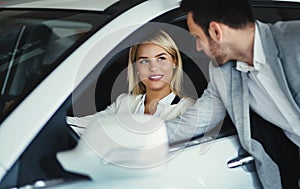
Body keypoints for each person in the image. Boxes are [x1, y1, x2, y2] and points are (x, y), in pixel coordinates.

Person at [165, 0, 300, 188]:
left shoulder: (295, 39)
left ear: (216, 32)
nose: (198, 47)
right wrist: (142, 139)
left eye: (197, 37)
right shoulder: (223, 72)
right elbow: (197, 120)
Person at [67, 30, 195, 136]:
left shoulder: (188, 108)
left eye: (161, 58)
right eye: (144, 61)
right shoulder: (124, 102)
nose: (153, 68)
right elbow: (86, 126)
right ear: (136, 68)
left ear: (174, 63)